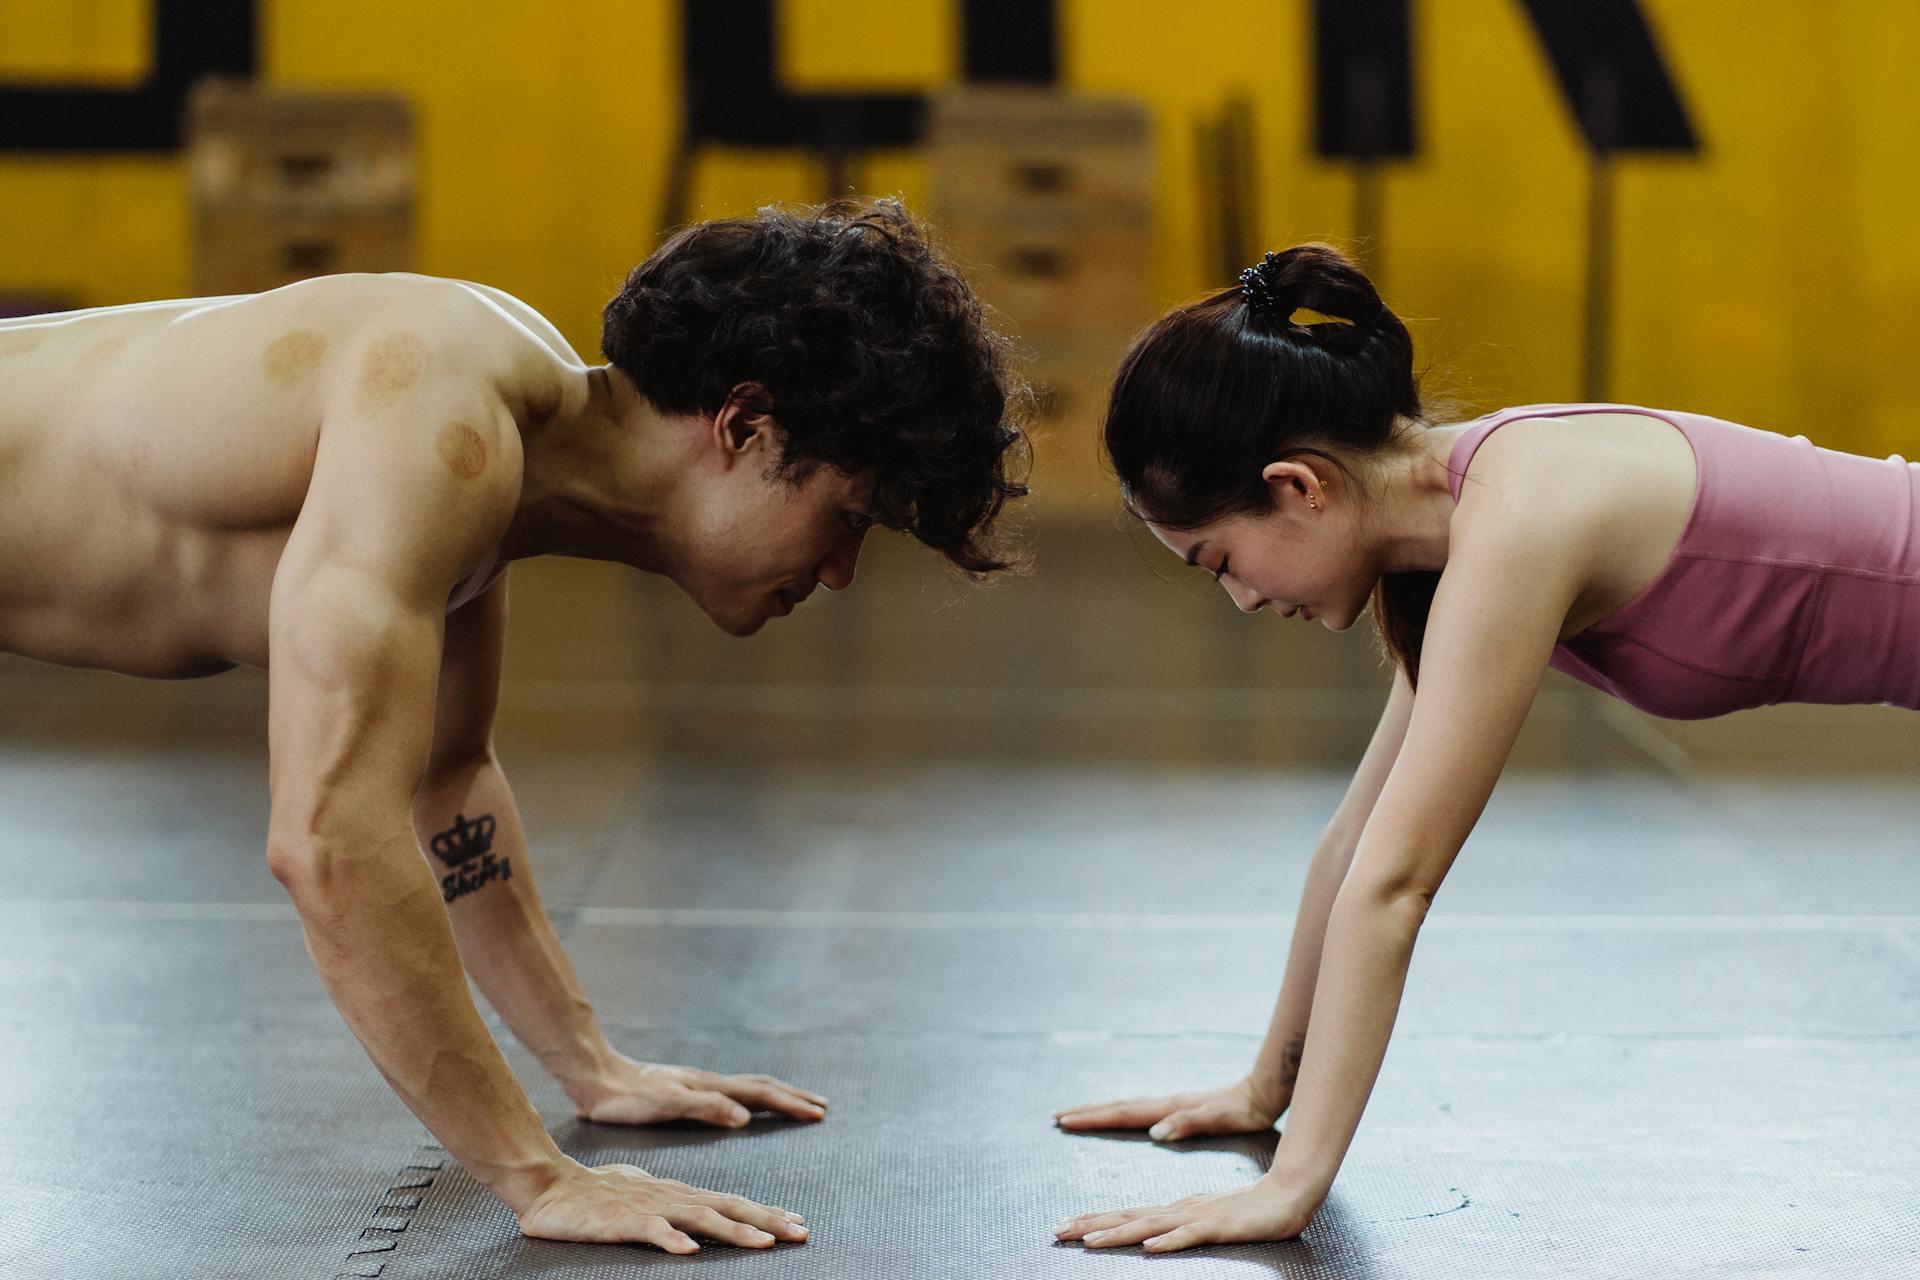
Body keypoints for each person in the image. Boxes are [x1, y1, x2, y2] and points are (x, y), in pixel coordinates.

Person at [0, 197, 1027, 1254]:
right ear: (744, 425)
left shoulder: (506, 443)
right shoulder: (447, 419)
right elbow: (332, 846)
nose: (840, 571)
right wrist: (537, 1173)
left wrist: (587, 1062)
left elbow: (445, 781)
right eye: (849, 518)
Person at [1051, 243, 1918, 1253]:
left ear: (1296, 487)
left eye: (1220, 562)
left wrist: (1291, 1186)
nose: (1242, 597)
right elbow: (1356, 842)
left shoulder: (1518, 517)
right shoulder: (1460, 518)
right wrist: (1264, 1086)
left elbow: (1397, 882)